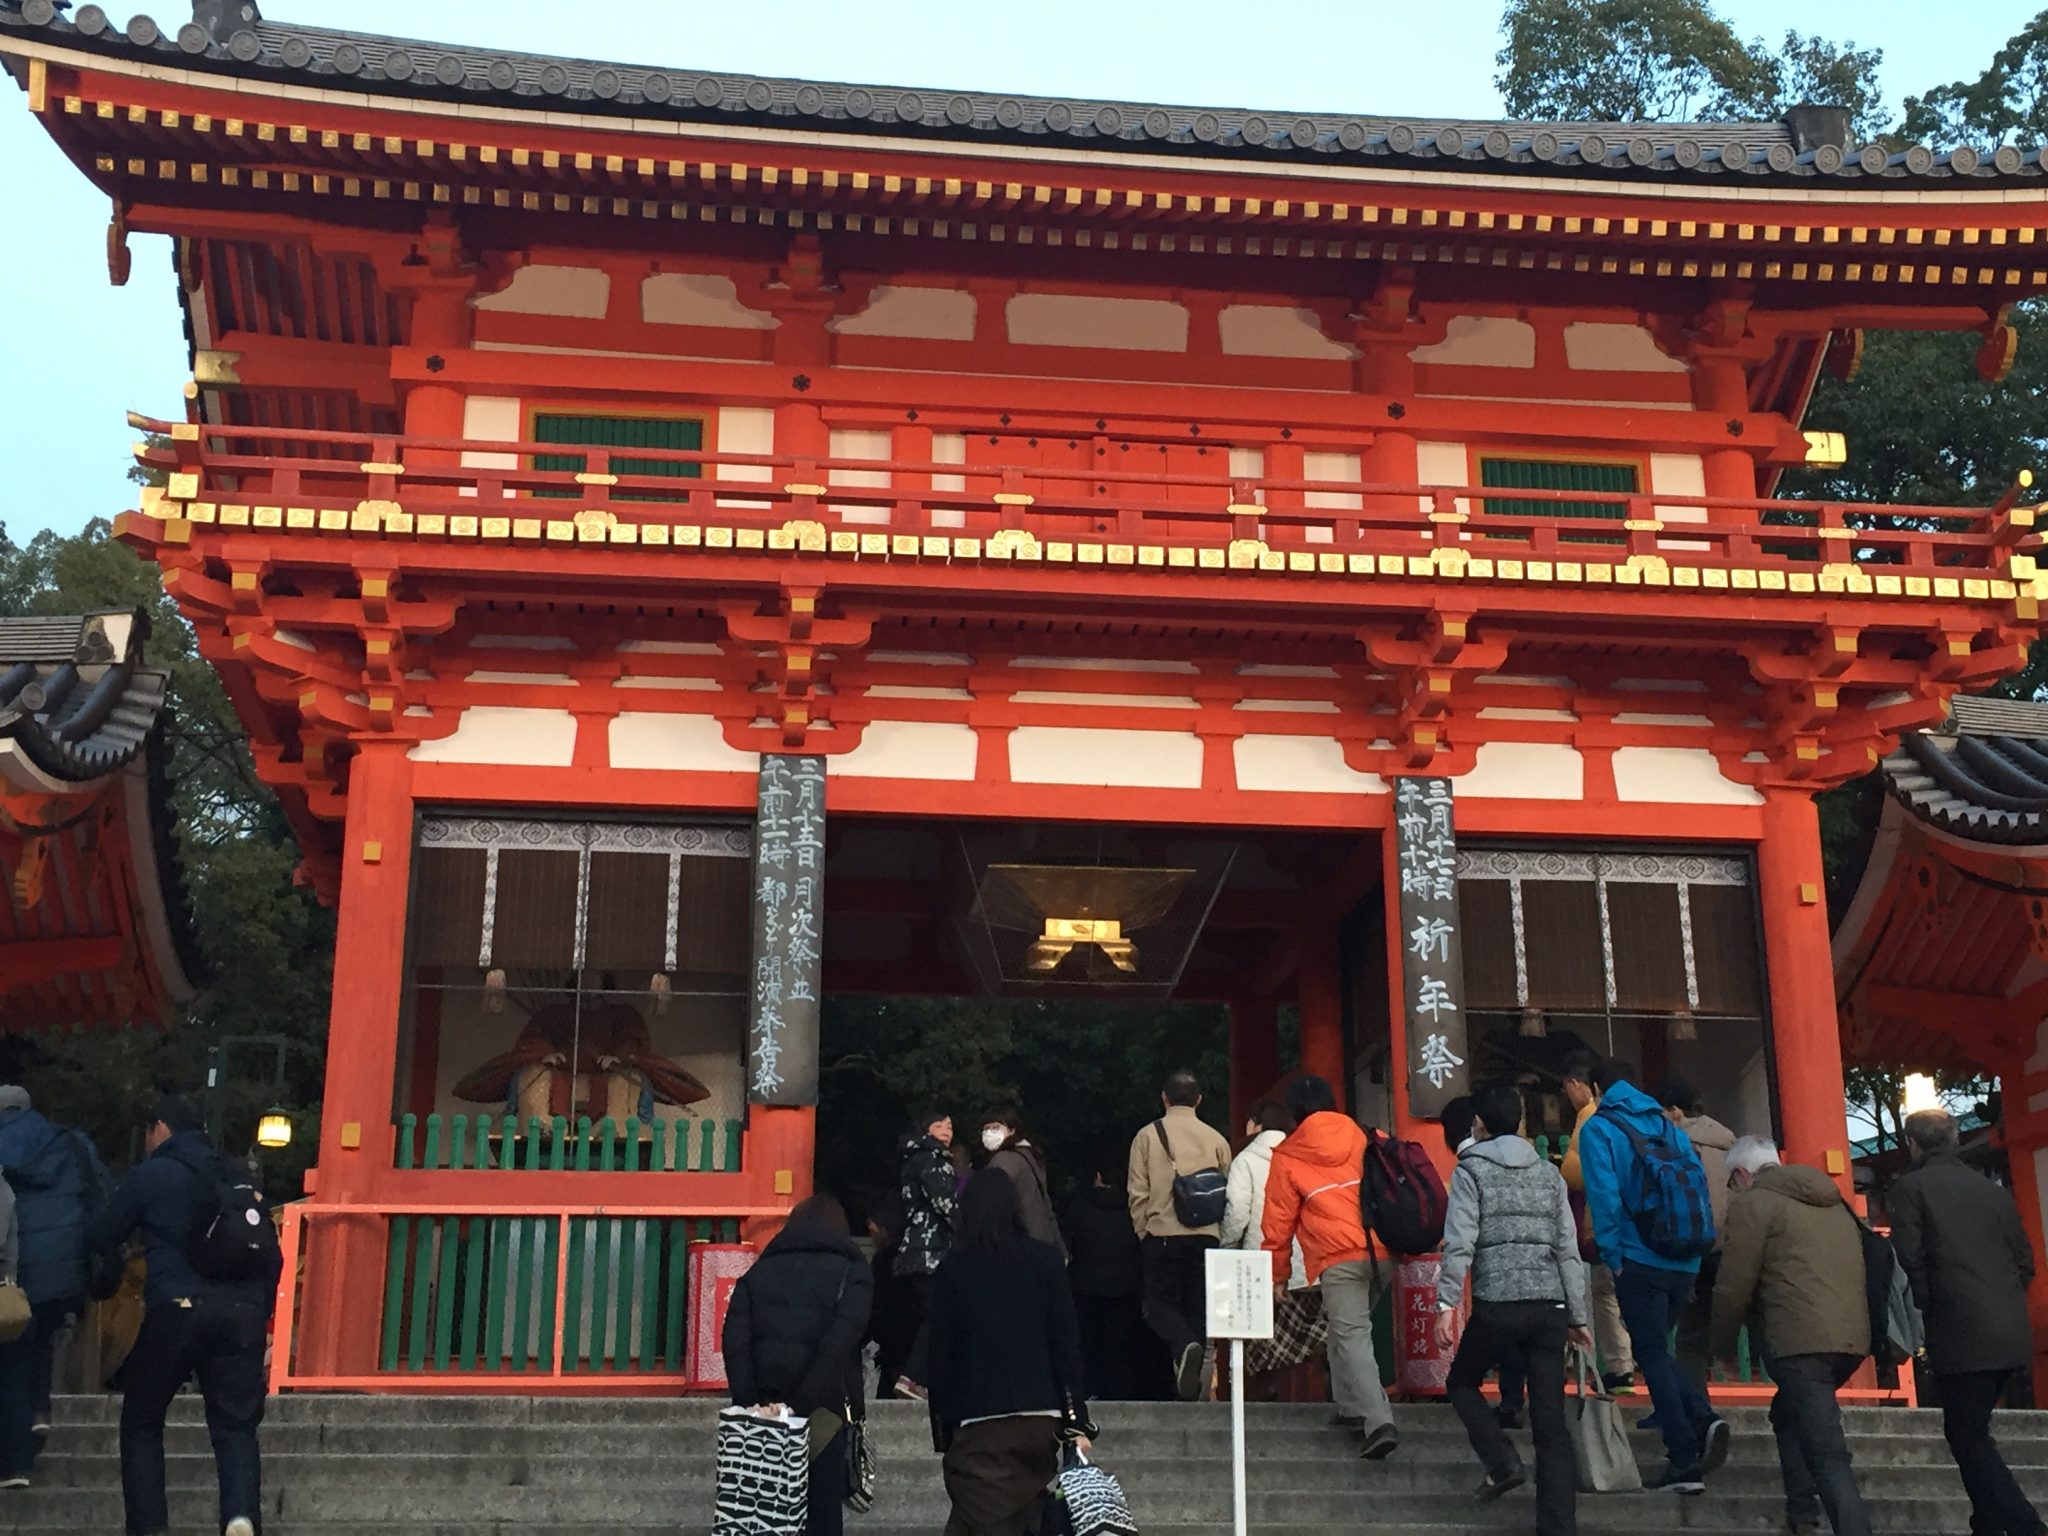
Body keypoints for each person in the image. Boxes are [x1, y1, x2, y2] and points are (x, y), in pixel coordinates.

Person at [87, 1094, 278, 1536]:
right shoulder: (236, 1176)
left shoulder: (152, 1174)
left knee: (142, 1419)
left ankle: (149, 1526)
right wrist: (257, 1310)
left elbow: (102, 1233)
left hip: (177, 1309)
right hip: (240, 1313)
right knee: (235, 1425)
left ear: (160, 1129)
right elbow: (269, 1252)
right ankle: (240, 1516)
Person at [1436, 1082, 1592, 1534]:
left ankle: (1502, 1460)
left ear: (1479, 1124)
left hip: (1499, 1303)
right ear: (1520, 1122)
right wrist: (1577, 1316)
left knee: (1463, 1382)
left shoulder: (1471, 1171)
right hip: (1549, 1307)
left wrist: (1447, 1302)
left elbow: (1461, 1241)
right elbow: (1568, 1249)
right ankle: (1558, 1527)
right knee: (1551, 1427)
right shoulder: (1548, 1173)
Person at [1889, 1109, 2045, 1536]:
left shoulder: (1911, 1188)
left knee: (1967, 1435)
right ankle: (1988, 1524)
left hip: (1960, 1329)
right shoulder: (1991, 1190)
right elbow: (2025, 1261)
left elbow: (1910, 1255)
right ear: (1954, 1140)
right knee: (1972, 1428)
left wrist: (1928, 1303)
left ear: (1913, 1144)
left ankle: (2024, 1523)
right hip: (2009, 1328)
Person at [1574, 1060, 1725, 1493]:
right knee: (1661, 1349)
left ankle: (1687, 1452)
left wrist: (1612, 1255)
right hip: (1685, 1258)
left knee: (1652, 1353)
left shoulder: (1601, 1128)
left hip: (1640, 1257)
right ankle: (1694, 1420)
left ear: (1598, 1087)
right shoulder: (1666, 1123)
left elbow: (1603, 1196)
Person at [1712, 1137, 1871, 1536]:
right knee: (1788, 1413)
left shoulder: (1754, 1204)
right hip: (1850, 1336)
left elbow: (1734, 1284)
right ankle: (1800, 1513)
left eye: (1732, 1183)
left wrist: (1723, 1347)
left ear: (1741, 1175)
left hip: (1798, 1340)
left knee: (1827, 1452)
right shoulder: (1834, 1203)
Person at [927, 1170, 1095, 1536]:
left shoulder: (953, 1271)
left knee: (985, 1515)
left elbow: (940, 1356)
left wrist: (943, 1429)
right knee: (1021, 1508)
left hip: (979, 1418)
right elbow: (1065, 1345)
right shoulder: (1046, 1262)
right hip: (1041, 1413)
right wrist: (1076, 1418)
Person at [1262, 1074, 1398, 1460]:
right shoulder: (1365, 1135)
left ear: (1295, 1112)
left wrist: (1277, 1275)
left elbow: (1278, 1222)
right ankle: (1349, 1406)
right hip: (1383, 1251)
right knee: (1345, 1326)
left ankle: (1379, 1420)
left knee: (1352, 1332)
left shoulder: (1289, 1155)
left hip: (1339, 1258)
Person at [723, 1193, 874, 1536]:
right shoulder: (852, 1273)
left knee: (761, 1515)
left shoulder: (759, 1272)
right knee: (822, 1514)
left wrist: (751, 1405)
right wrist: (800, 1405)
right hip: (824, 1413)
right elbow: (840, 1344)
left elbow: (734, 1340)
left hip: (761, 1416)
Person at [0, 1084, 108, 1485]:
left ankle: (15, 1462)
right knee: (40, 1337)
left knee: (12, 1357)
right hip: (65, 1270)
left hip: (13, 1271)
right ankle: (38, 1411)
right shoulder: (70, 1144)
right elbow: (100, 1196)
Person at [1126, 1067, 1232, 1402]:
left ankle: (1182, 1345)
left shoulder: (1147, 1136)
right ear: (1199, 1100)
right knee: (1199, 1309)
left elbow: (1137, 1192)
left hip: (1163, 1235)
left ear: (1164, 1098)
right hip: (1207, 1237)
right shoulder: (1216, 1139)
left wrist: (1144, 1230)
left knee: (1160, 1306)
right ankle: (1194, 1389)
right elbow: (1228, 1192)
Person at [1441, 1094, 1526, 1429]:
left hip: (1496, 1271)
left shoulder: (1470, 1163)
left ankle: (1507, 1410)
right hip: (1539, 1274)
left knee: (1465, 1374)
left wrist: (1446, 1301)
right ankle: (1515, 1401)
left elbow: (1462, 1235)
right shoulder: (1537, 1165)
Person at [1223, 1101, 1314, 1398]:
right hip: (1306, 1263)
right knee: (1306, 1340)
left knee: (1261, 1340)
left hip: (1260, 1263)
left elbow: (1237, 1213)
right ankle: (1307, 1399)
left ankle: (1265, 1400)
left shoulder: (1246, 1160)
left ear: (1256, 1124)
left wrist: (1225, 1244)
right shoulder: (1305, 1157)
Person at [1656, 1077, 1736, 1416]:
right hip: (1728, 1252)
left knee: (1673, 1340)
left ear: (1674, 1112)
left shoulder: (1676, 1145)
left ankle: (1695, 1413)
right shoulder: (1728, 1144)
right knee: (1699, 1338)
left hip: (1689, 1251)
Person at [1557, 1053, 1635, 1396]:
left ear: (1578, 1085)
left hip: (1602, 1222)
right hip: (1633, 1223)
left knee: (1602, 1295)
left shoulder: (1589, 1117)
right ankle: (1626, 1362)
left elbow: (1577, 1173)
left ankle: (1618, 1366)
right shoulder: (1640, 1117)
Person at [1061, 1155, 1152, 1402]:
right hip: (1126, 1288)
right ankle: (1122, 1393)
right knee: (1121, 1346)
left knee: (1089, 1343)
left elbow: (1068, 1244)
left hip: (1086, 1287)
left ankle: (1090, 1390)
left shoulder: (1080, 1206)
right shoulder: (1134, 1209)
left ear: (1098, 1177)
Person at [891, 1108, 957, 1401]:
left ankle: (917, 1376)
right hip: (933, 1251)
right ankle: (914, 1377)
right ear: (926, 1128)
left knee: (927, 1316)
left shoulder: (912, 1159)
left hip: (914, 1249)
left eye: (950, 1125)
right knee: (940, 1315)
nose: (947, 1129)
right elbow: (946, 1205)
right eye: (940, 1123)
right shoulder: (934, 1161)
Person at [978, 1110, 1064, 1258]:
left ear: (1012, 1130)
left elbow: (992, 1205)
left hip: (1019, 1245)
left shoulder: (1003, 1160)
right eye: (986, 1128)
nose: (989, 1133)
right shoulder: (1030, 1156)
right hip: (1043, 1241)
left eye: (995, 1127)